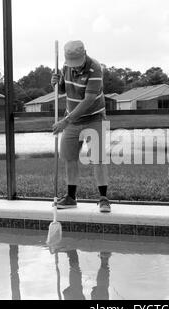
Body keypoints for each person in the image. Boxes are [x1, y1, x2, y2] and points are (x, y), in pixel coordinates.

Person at [51, 40, 111, 213]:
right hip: (72, 119)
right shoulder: (65, 66)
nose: (75, 67)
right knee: (70, 158)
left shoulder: (95, 68)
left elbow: (89, 100)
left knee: (98, 159)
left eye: (78, 63)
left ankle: (103, 198)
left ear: (85, 53)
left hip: (94, 118)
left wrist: (65, 121)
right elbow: (63, 90)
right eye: (72, 64)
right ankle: (71, 198)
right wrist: (56, 83)